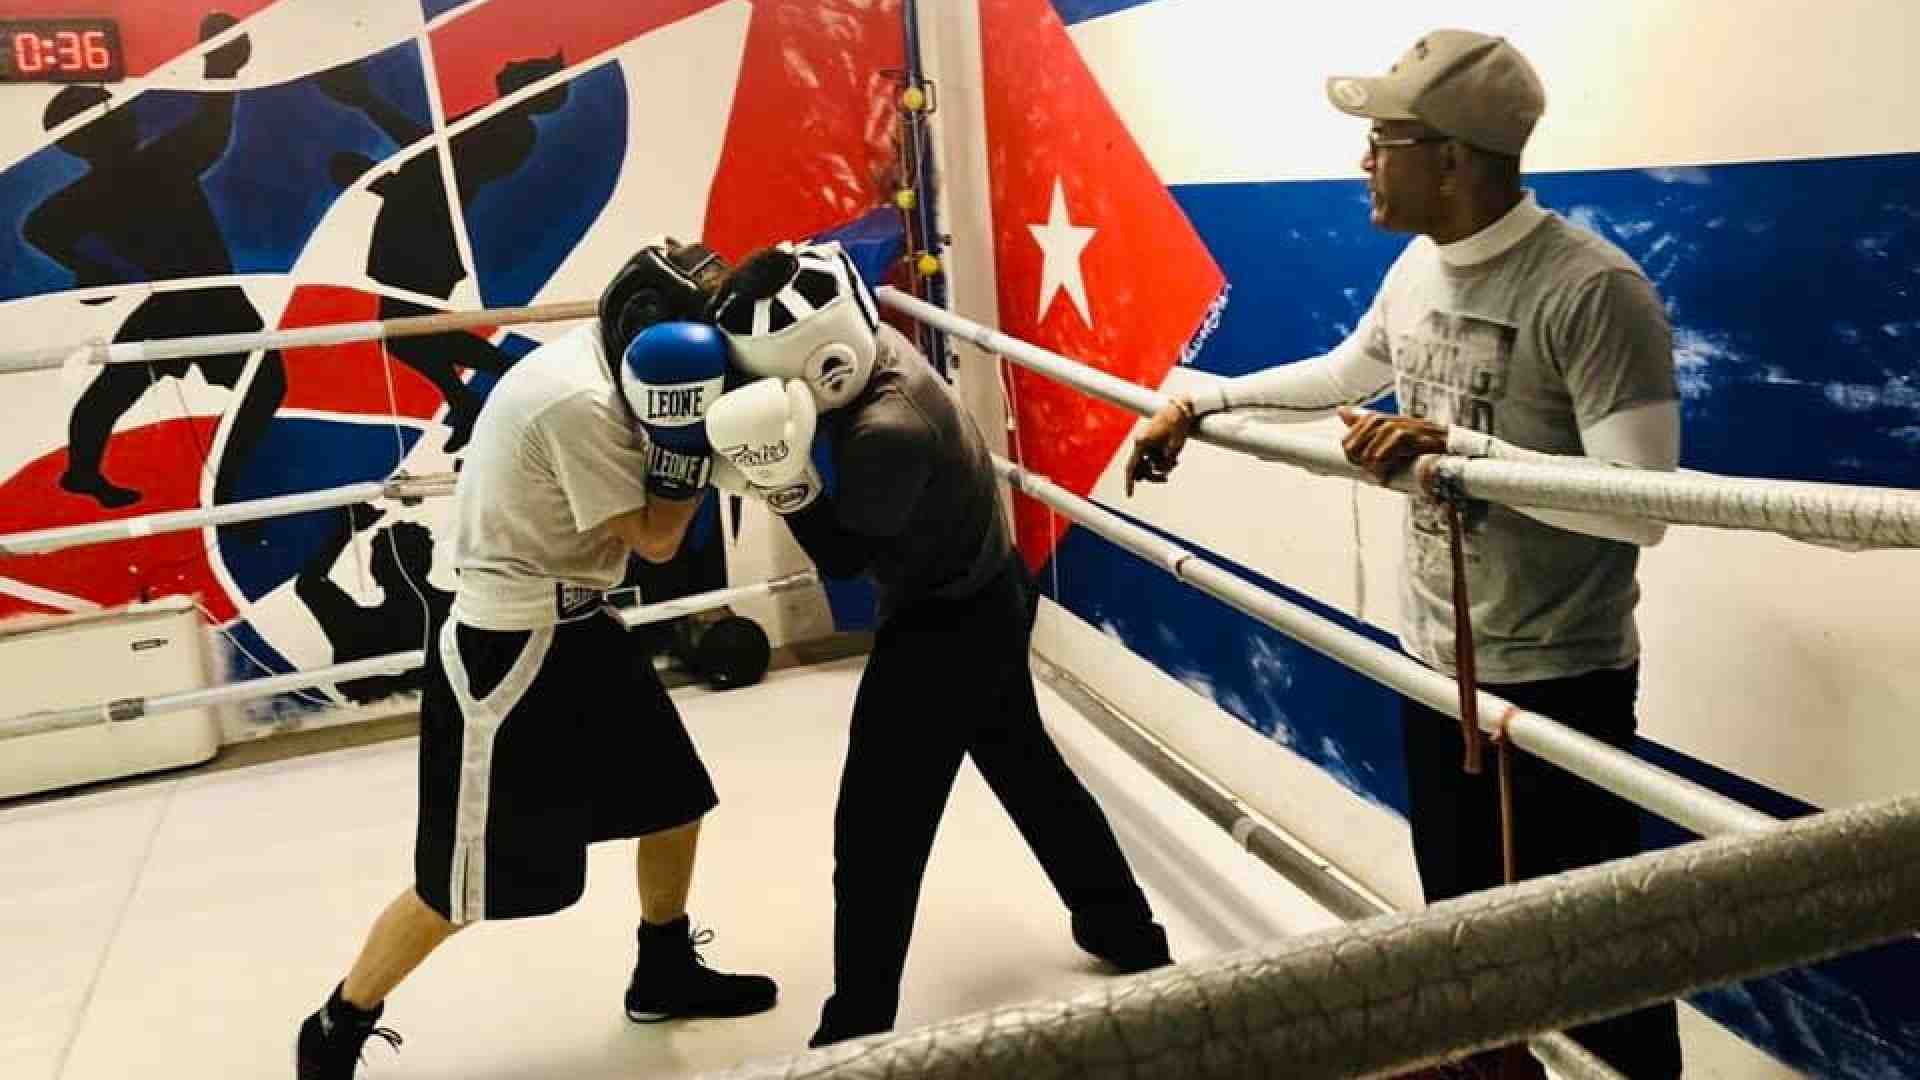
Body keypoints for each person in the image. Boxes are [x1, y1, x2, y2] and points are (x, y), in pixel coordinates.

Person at [1127, 30, 1682, 1079]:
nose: (1364, 164)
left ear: (1455, 159)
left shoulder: (1593, 290)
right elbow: (1348, 371)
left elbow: (1643, 509)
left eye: (1383, 141)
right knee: (1462, 930)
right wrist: (1199, 400)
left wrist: (1462, 451)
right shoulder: (1420, 266)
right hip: (1434, 662)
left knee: (1598, 963)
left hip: (1553, 681)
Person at [296, 240, 774, 1078]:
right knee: (463, 880)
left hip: (577, 618)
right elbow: (659, 542)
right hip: (505, 644)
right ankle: (338, 1022)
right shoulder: (578, 404)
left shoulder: (614, 366)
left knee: (674, 799)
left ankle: (661, 968)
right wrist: (693, 442)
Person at [702, 241, 1172, 1049]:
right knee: (1029, 771)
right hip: (986, 587)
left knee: (879, 825)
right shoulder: (873, 347)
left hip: (945, 626)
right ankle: (1125, 930)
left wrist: (785, 482)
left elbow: (846, 564)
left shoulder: (887, 430)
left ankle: (856, 1027)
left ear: (827, 363)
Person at [27, 12, 286, 509]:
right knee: (261, 383)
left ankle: (87, 472)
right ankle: (224, 491)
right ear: (92, 132)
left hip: (180, 302)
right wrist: (220, 67)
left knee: (117, 389)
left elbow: (39, 228)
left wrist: (93, 267)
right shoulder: (156, 162)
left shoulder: (89, 191)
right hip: (201, 301)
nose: (124, 112)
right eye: (110, 109)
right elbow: (211, 127)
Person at [294, 503, 451, 705]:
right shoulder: (458, 607)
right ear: (427, 563)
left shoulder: (357, 625)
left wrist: (345, 531)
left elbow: (309, 583)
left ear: (375, 571)